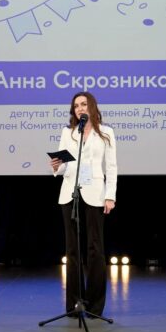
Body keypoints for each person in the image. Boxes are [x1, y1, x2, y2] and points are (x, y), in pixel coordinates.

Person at [50, 91, 117, 318]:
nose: (80, 108)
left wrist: (110, 196)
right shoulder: (68, 133)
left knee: (95, 249)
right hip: (70, 194)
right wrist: (56, 166)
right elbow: (63, 166)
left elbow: (111, 167)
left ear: (92, 107)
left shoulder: (106, 133)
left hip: (95, 193)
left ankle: (95, 306)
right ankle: (74, 305)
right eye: (76, 105)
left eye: (83, 104)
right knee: (72, 251)